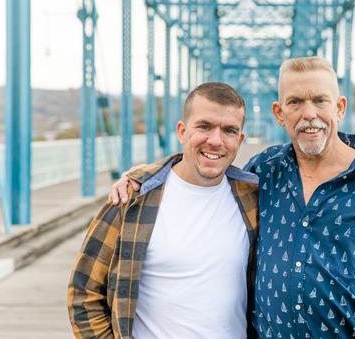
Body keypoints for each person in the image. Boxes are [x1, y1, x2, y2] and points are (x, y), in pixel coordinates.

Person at [111, 57, 355, 338]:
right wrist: (144, 176)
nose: (308, 113)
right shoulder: (263, 172)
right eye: (295, 102)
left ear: (340, 108)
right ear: (279, 113)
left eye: (320, 101)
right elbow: (207, 165)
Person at [67, 82, 260, 339]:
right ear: (182, 131)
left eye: (229, 130)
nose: (216, 140)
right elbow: (83, 292)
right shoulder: (133, 199)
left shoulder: (254, 200)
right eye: (204, 126)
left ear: (240, 139)